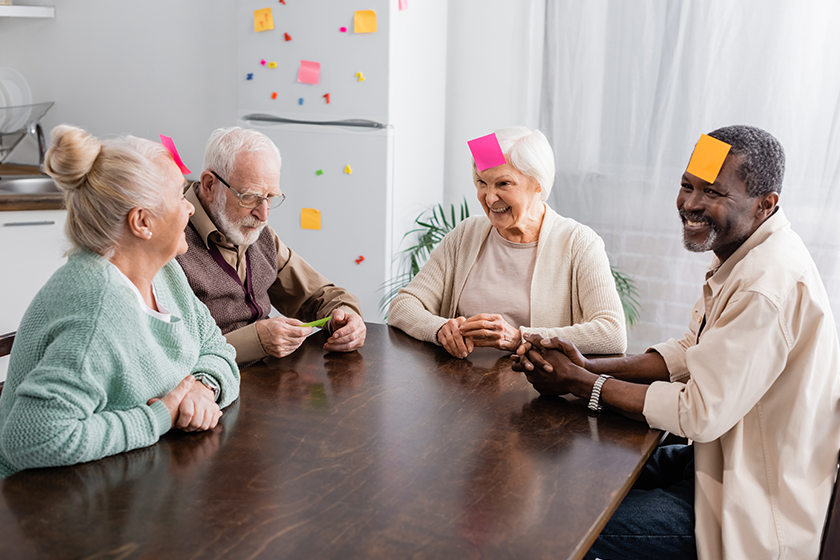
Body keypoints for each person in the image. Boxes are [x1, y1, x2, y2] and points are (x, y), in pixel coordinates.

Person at [515, 125, 840, 559]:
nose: (690, 204)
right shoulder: (746, 251)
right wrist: (590, 368)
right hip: (712, 463)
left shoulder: (766, 284)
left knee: (562, 525)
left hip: (747, 503)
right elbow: (693, 350)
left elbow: (699, 413)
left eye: (713, 193)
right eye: (687, 185)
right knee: (561, 478)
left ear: (766, 204)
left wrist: (581, 384)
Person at [0, 125, 240, 477]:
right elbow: (30, 438)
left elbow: (217, 349)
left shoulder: (165, 272)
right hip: (44, 506)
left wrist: (203, 389)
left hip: (133, 477)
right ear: (142, 222)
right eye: (179, 197)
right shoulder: (97, 310)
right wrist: (161, 416)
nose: (189, 209)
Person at [388, 126, 626, 359]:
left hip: (539, 390)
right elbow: (403, 306)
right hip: (458, 385)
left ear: (537, 184)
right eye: (482, 183)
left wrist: (519, 338)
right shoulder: (465, 234)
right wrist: (439, 329)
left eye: (503, 184)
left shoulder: (579, 243)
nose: (490, 198)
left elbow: (612, 332)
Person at [175, 127, 366, 365]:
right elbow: (173, 354)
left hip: (264, 380)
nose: (263, 215)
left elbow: (316, 295)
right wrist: (256, 340)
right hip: (206, 389)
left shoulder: (255, 232)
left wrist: (346, 316)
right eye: (249, 197)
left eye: (270, 197)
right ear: (209, 185)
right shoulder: (170, 236)